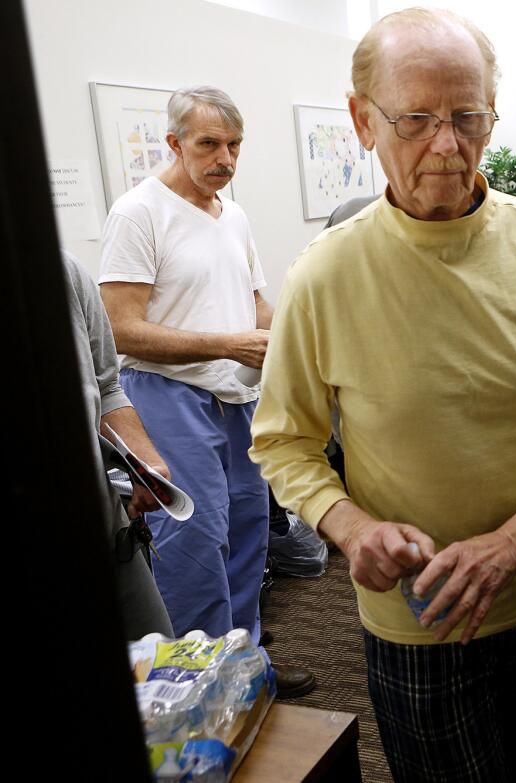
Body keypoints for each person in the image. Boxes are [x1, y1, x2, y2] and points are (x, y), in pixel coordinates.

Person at [248, 10, 516, 781]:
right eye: (416, 119)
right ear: (364, 121)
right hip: (418, 617)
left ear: (492, 117)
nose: (446, 144)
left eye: (467, 117)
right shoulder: (325, 274)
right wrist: (349, 523)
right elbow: (283, 439)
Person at [98, 85, 314, 698]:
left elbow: (254, 304)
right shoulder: (139, 213)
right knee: (194, 541)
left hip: (236, 398)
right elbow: (120, 328)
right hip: (166, 392)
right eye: (209, 144)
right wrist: (228, 344)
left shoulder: (232, 211)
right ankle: (198, 687)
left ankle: (245, 665)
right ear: (173, 143)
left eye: (234, 145)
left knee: (249, 531)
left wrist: (301, 335)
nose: (225, 158)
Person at [63, 250, 173, 640]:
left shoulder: (64, 271)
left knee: (157, 666)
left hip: (110, 530)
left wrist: (143, 461)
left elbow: (107, 386)